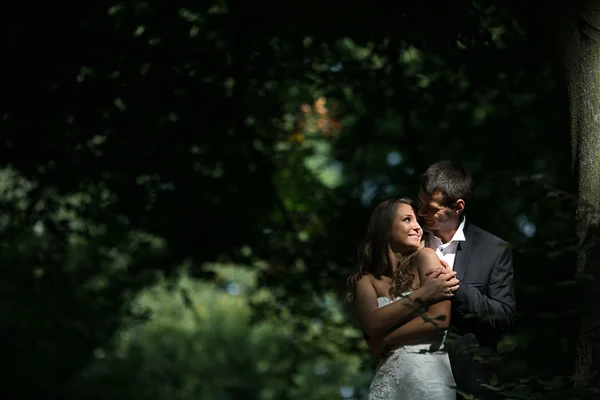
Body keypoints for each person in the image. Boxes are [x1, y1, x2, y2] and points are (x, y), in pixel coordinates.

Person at [417, 161, 516, 399]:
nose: (420, 213)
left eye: (430, 208)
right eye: (419, 203)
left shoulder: (494, 249)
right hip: (412, 372)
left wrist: (454, 288)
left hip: (468, 379)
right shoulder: (408, 236)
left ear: (458, 206)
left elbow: (503, 316)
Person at [347, 198, 460, 400]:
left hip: (428, 377)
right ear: (386, 230)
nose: (417, 227)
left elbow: (439, 320)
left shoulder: (426, 258)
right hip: (388, 382)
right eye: (407, 219)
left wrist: (384, 340)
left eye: (417, 221)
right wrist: (423, 293)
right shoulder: (366, 281)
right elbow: (372, 324)